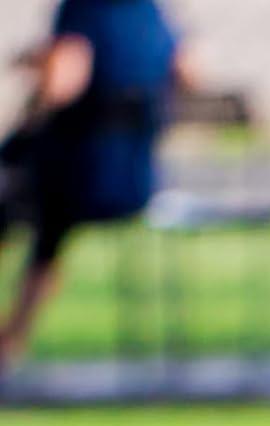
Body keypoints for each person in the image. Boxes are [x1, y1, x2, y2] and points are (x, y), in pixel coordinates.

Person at [0, 0, 182, 370]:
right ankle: (11, 341)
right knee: (46, 232)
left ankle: (11, 342)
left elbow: (64, 81)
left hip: (83, 174)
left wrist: (39, 69)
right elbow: (189, 70)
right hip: (136, 177)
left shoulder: (83, 11)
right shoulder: (150, 12)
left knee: (27, 214)